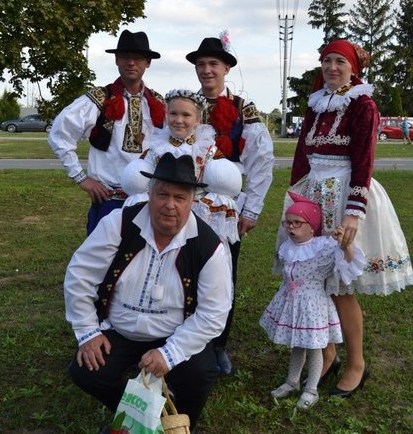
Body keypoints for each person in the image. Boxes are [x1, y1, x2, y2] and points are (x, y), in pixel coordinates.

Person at [64, 152, 233, 434]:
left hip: (174, 334)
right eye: (162, 195)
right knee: (86, 370)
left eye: (180, 197)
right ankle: (133, 417)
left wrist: (169, 354)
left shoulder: (209, 245)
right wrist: (88, 331)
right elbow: (80, 275)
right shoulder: (119, 224)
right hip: (120, 330)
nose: (170, 205)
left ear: (192, 201)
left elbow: (214, 313)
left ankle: (185, 425)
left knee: (200, 372)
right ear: (149, 194)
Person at [281, 39, 413, 398]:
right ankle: (327, 354)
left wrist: (354, 212)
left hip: (343, 197)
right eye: (327, 60)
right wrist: (295, 199)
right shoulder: (316, 103)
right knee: (315, 280)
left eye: (340, 61)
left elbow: (364, 159)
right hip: (313, 196)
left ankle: (356, 363)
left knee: (341, 286)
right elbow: (302, 154)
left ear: (353, 67)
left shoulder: (362, 104)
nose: (332, 67)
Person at [186, 31, 274, 374]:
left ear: (226, 68)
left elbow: (261, 161)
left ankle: (218, 344)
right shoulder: (187, 105)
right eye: (201, 64)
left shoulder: (242, 109)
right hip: (186, 201)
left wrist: (251, 210)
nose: (206, 70)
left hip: (225, 209)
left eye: (213, 64)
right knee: (184, 269)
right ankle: (185, 338)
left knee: (222, 275)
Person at [48, 29, 165, 234]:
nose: (131, 63)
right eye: (125, 57)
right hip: (109, 201)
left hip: (148, 202)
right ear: (116, 60)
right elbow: (59, 133)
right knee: (103, 253)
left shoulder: (158, 103)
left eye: (138, 58)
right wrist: (81, 178)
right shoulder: (98, 98)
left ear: (148, 62)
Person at [261, 193, 365, 409]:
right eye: (288, 223)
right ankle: (292, 381)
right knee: (297, 344)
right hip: (293, 303)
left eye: (297, 223)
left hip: (312, 306)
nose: (291, 227)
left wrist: (344, 245)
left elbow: (348, 263)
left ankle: (311, 389)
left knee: (314, 347)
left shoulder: (323, 248)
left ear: (312, 227)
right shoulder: (289, 247)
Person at [120, 88, 243, 271]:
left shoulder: (207, 149)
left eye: (186, 115)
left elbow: (222, 182)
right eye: (173, 114)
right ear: (166, 115)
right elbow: (140, 181)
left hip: (197, 215)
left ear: (198, 119)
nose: (179, 120)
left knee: (194, 263)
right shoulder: (155, 148)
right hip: (164, 213)